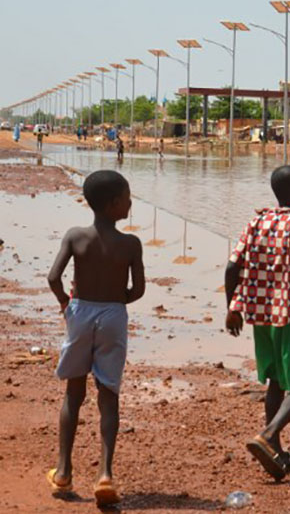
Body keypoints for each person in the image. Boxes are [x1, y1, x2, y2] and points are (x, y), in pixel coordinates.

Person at [45, 170, 145, 507]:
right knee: (109, 394)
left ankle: (63, 470)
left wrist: (66, 304)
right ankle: (105, 474)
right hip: (113, 315)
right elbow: (138, 290)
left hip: (80, 312)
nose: (130, 203)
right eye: (128, 198)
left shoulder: (76, 236)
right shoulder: (131, 244)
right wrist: (116, 301)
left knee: (74, 393)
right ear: (114, 203)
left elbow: (53, 277)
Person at [225, 165, 290, 480]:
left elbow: (232, 267)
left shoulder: (258, 221)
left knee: (276, 380)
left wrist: (232, 308)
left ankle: (274, 449)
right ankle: (268, 435)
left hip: (259, 315)